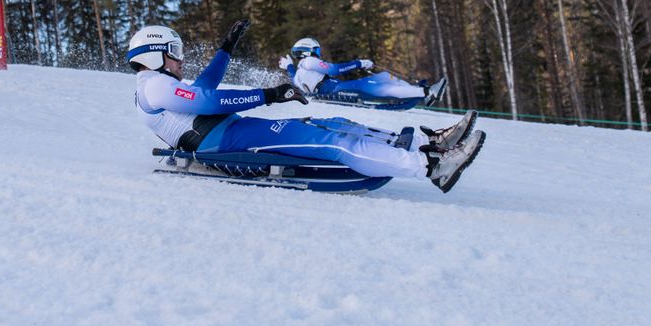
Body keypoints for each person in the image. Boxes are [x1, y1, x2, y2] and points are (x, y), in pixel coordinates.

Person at [130, 20, 484, 193]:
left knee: (333, 121)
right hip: (225, 141)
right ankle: (430, 166)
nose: (180, 60)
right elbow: (207, 100)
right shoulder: (154, 85)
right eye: (174, 52)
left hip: (232, 132)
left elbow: (204, 86)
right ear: (154, 54)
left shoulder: (162, 87)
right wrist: (268, 95)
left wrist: (226, 47)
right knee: (330, 141)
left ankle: (429, 144)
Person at [279, 37, 446, 106]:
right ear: (308, 50)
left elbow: (293, 76)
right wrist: (360, 63)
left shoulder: (299, 74)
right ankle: (426, 92)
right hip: (336, 90)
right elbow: (335, 69)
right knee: (374, 84)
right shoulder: (308, 61)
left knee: (381, 78)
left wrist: (288, 66)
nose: (318, 54)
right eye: (316, 50)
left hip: (333, 92)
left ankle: (418, 93)